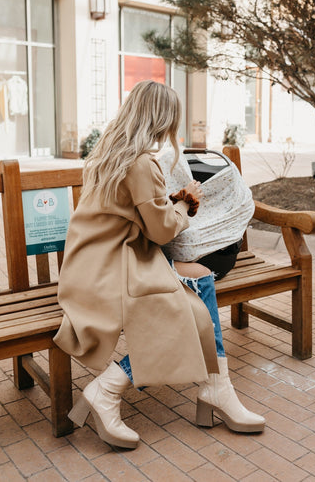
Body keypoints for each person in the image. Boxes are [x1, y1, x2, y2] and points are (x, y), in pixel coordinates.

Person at [53, 80, 263, 450]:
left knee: (199, 284)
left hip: (90, 265)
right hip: (113, 268)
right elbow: (162, 230)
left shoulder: (110, 153)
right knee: (189, 304)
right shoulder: (141, 163)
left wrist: (170, 202)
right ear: (163, 119)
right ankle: (114, 388)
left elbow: (139, 211)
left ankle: (215, 387)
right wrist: (187, 202)